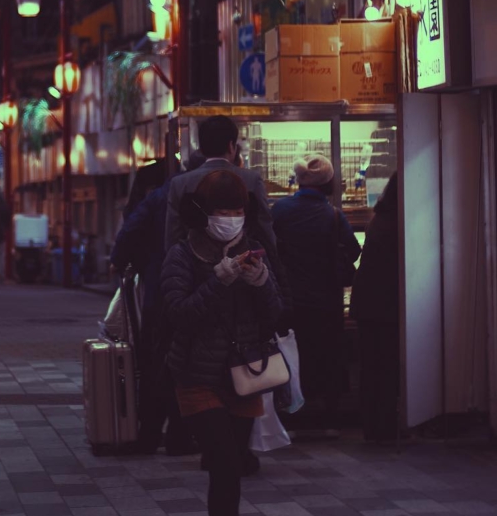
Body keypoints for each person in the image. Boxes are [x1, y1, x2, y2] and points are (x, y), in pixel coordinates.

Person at [161, 170, 283, 516]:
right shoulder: (182, 254)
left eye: (236, 211)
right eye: (221, 211)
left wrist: (261, 282)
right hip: (196, 374)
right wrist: (219, 279)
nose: (229, 219)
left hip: (244, 374)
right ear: (204, 214)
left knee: (229, 465)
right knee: (227, 462)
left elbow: (276, 315)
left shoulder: (255, 249)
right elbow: (178, 313)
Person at [110, 153, 205, 456]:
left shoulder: (160, 195)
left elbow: (126, 236)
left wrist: (131, 264)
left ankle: (150, 434)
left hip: (159, 294)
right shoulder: (210, 193)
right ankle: (181, 435)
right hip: (200, 296)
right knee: (189, 365)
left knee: (155, 365)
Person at [271, 153, 361, 430]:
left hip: (291, 301)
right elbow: (354, 249)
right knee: (330, 357)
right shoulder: (332, 215)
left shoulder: (280, 210)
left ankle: (294, 414)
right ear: (328, 183)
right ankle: (330, 415)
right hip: (327, 303)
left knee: (294, 357)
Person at [165, 116, 285, 304]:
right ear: (232, 146)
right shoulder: (251, 179)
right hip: (245, 272)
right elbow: (265, 229)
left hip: (195, 276)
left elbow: (173, 233)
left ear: (201, 148)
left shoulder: (180, 183)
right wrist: (270, 264)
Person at [350, 172, 400, 442]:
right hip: (387, 306)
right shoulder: (398, 222)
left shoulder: (379, 218)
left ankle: (372, 427)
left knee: (371, 368)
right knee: (387, 367)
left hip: (368, 304)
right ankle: (386, 427)